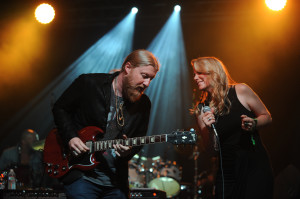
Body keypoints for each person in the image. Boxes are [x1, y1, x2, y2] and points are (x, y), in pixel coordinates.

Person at [51, 49, 159, 198]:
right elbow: (60, 108)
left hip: (115, 182)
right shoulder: (89, 83)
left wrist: (128, 151)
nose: (147, 83)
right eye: (144, 76)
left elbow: (138, 140)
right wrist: (71, 137)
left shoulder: (143, 104)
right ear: (128, 68)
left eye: (151, 79)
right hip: (82, 176)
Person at [191, 57, 273, 199]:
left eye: (199, 73)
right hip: (227, 171)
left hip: (253, 164)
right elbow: (211, 151)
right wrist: (209, 130)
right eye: (194, 74)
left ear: (213, 72)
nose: (195, 77)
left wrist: (254, 123)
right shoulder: (201, 110)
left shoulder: (240, 90)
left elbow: (266, 116)